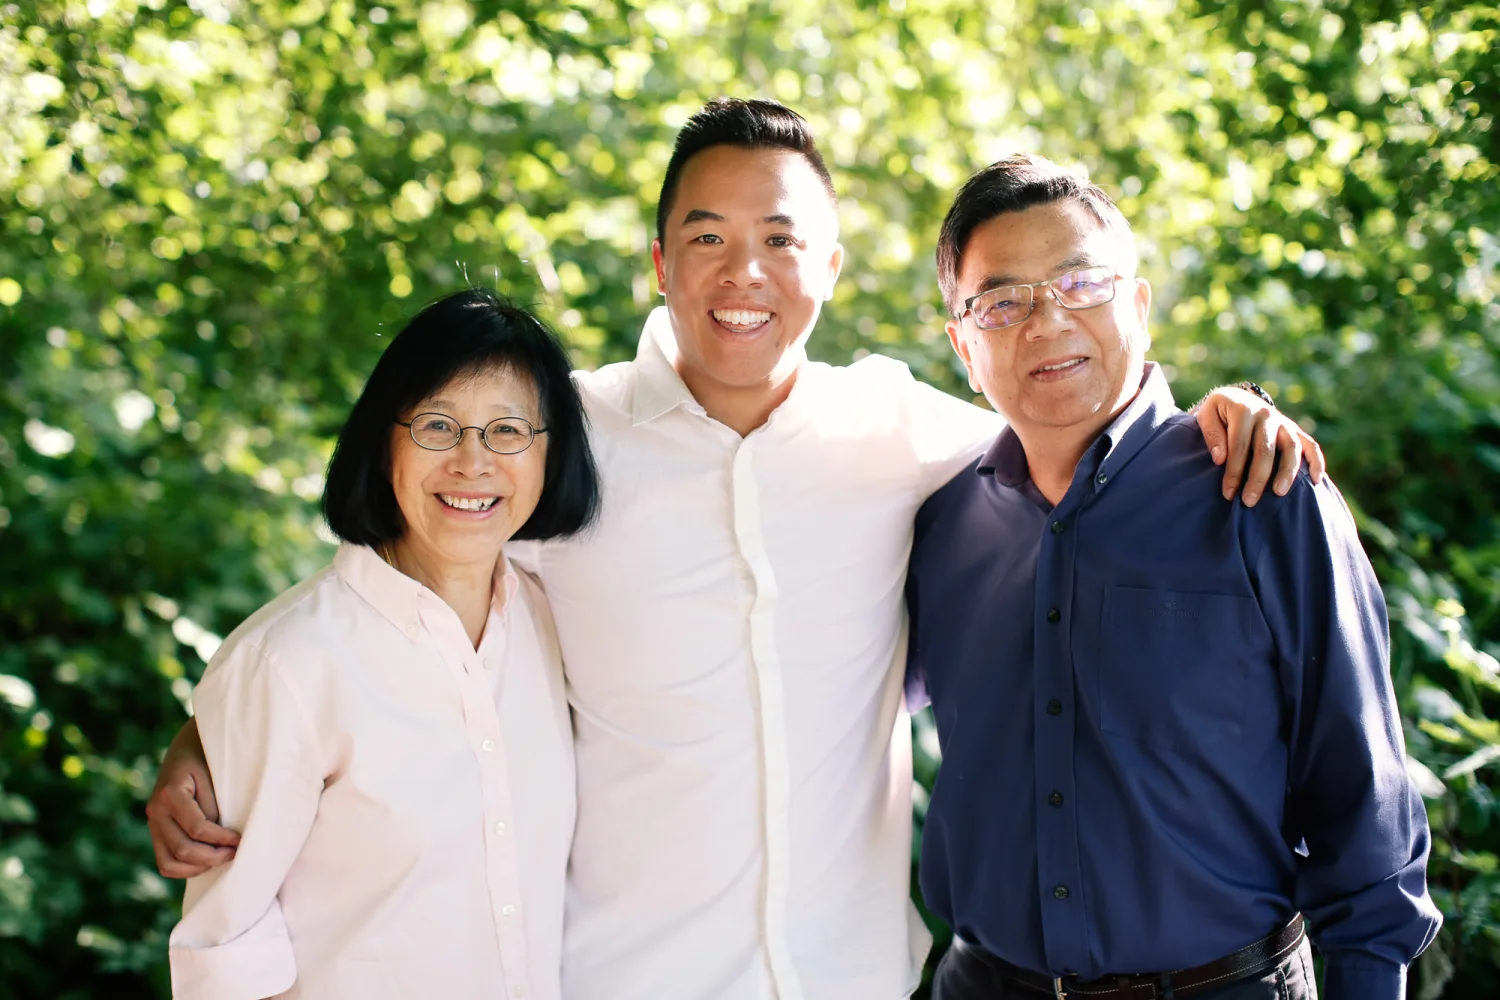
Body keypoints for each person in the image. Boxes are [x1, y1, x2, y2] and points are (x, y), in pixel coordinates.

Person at [149, 100, 1322, 1000]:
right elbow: (389, 590)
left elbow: (1076, 424)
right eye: (706, 236)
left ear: (829, 268)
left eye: (780, 237)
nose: (742, 272)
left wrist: (1230, 410)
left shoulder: (899, 428)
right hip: (628, 978)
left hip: (854, 978)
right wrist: (213, 735)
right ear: (661, 263)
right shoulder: (565, 439)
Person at [906, 154, 1440, 1000]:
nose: (1046, 322)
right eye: (1002, 302)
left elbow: (1362, 786)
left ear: (1140, 306)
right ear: (965, 345)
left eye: (1081, 283)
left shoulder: (1262, 490)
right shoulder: (937, 527)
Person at [167, 290, 600, 1000]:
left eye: (508, 431)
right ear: (384, 441)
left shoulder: (558, 627)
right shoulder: (290, 664)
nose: (473, 461)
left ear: (551, 452)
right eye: (437, 425)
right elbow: (225, 959)